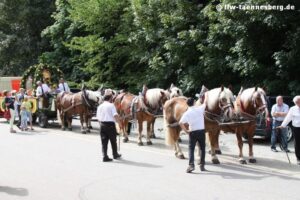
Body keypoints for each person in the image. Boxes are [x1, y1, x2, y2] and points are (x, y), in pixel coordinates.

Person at [179, 97, 207, 173]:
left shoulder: (187, 113)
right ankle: (202, 165)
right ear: (194, 102)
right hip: (201, 132)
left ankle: (191, 165)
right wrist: (206, 95)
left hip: (192, 132)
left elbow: (180, 123)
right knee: (202, 148)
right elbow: (205, 102)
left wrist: (186, 131)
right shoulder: (200, 109)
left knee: (191, 149)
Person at [96, 89, 122, 162]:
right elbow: (115, 116)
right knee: (113, 141)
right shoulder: (111, 105)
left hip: (102, 124)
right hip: (110, 125)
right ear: (110, 98)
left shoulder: (100, 106)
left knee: (104, 142)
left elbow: (98, 118)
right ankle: (115, 154)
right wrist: (120, 124)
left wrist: (101, 125)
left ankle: (104, 156)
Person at [278, 95, 300, 165]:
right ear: (295, 103)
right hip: (296, 128)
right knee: (297, 143)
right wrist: (282, 125)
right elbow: (288, 118)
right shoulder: (292, 109)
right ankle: (298, 158)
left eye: (299, 102)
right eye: (297, 102)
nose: (298, 103)